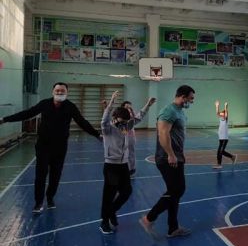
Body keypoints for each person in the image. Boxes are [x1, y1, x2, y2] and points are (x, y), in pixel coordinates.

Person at [0, 82, 101, 213]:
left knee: (55, 175)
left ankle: (50, 197)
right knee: (40, 175)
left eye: (62, 91)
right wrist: (5, 119)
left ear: (67, 93)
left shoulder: (70, 107)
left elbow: (82, 122)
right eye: (57, 90)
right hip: (43, 146)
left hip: (60, 147)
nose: (60, 92)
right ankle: (38, 203)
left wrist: (96, 134)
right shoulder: (44, 104)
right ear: (53, 92)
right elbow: (27, 113)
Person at [139, 85, 195, 238]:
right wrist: (170, 154)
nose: (192, 102)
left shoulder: (179, 111)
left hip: (176, 156)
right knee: (177, 190)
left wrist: (178, 154)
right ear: (182, 96)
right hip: (167, 158)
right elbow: (163, 133)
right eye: (190, 99)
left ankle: (173, 228)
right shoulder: (169, 111)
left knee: (174, 192)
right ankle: (148, 218)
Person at [99, 91, 134, 234]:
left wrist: (147, 106)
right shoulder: (107, 129)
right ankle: (104, 222)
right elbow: (104, 120)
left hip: (123, 165)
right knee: (109, 194)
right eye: (121, 121)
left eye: (125, 122)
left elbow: (136, 119)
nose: (123, 124)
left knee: (127, 191)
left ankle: (111, 212)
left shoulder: (124, 128)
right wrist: (112, 101)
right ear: (115, 118)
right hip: (111, 166)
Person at [121, 97, 156, 176]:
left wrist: (148, 105)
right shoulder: (117, 120)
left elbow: (141, 114)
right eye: (127, 107)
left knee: (131, 153)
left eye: (130, 108)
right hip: (119, 140)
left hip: (130, 139)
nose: (129, 109)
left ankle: (131, 170)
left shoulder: (132, 119)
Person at [213, 100, 237, 170]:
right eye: (221, 114)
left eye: (222, 114)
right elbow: (217, 113)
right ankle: (232, 157)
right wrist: (217, 106)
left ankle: (219, 164)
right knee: (220, 151)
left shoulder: (226, 120)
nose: (221, 115)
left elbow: (226, 113)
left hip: (225, 139)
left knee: (221, 151)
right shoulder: (221, 119)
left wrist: (225, 106)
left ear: (224, 115)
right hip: (220, 138)